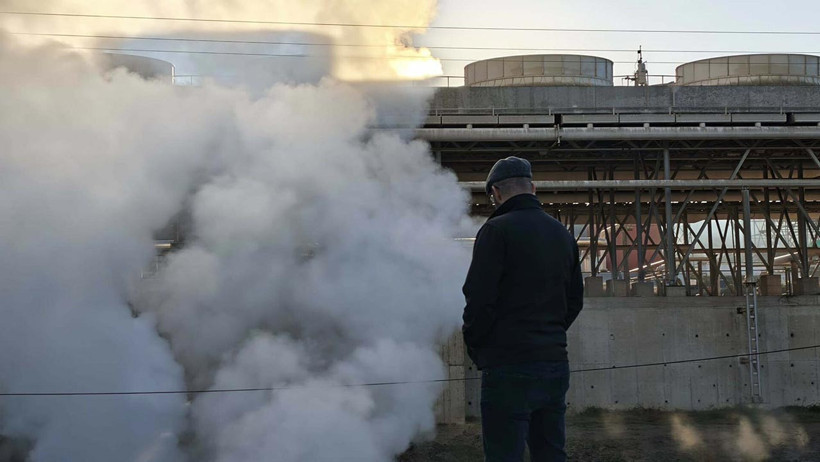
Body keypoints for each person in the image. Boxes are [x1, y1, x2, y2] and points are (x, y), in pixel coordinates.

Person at [462, 156, 584, 462]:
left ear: (496, 193)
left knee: (505, 454)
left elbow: (479, 300)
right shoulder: (563, 235)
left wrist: (479, 347)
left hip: (508, 366)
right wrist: (548, 335)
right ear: (533, 187)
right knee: (551, 452)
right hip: (554, 363)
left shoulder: (496, 231)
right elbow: (574, 301)